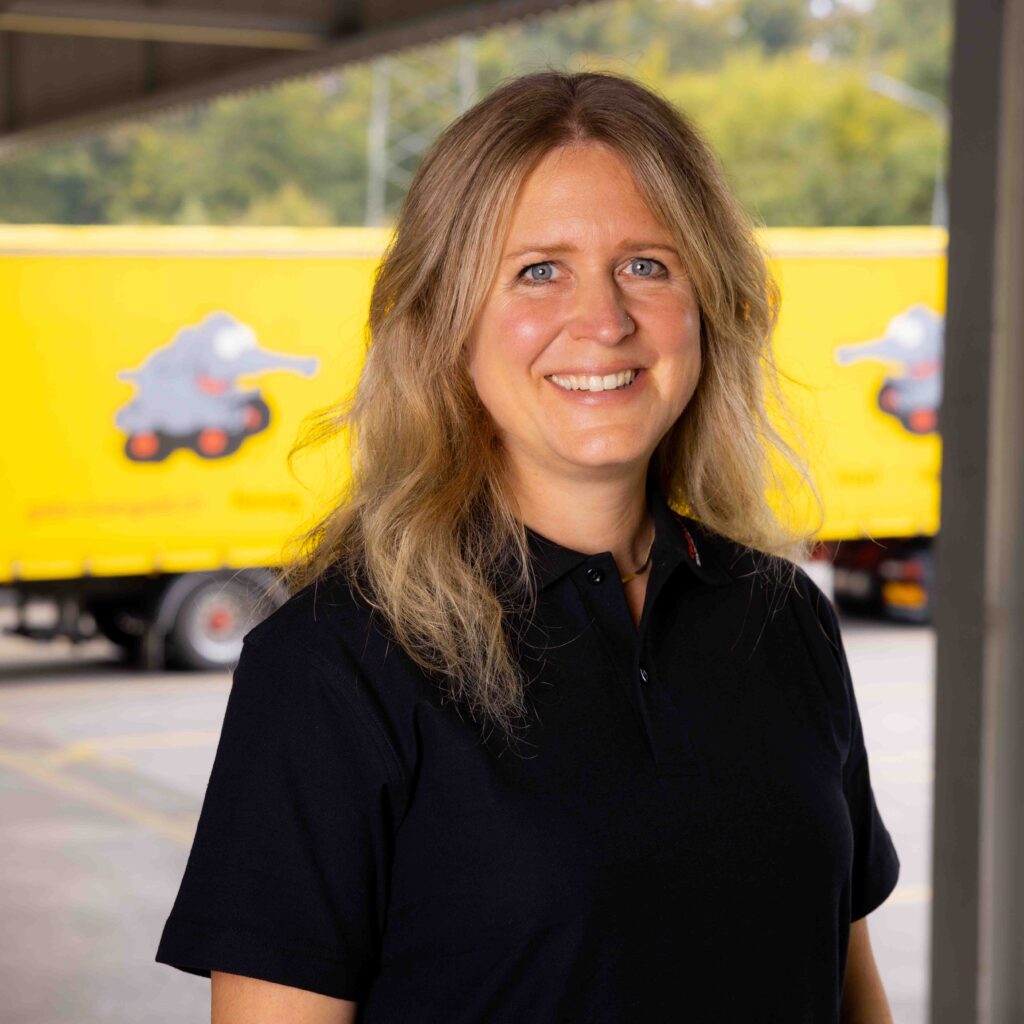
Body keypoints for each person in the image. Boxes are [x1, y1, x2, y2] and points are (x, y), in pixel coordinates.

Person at [156, 71, 900, 1023]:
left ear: (708, 303)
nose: (605, 321)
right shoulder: (330, 667)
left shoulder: (782, 615)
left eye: (648, 264)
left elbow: (852, 994)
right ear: (445, 321)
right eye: (539, 270)